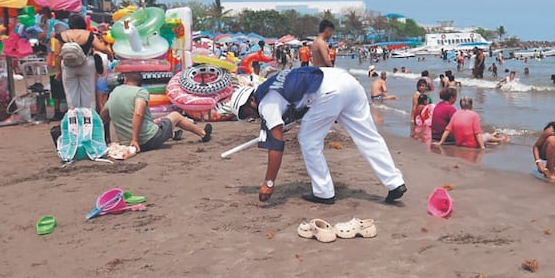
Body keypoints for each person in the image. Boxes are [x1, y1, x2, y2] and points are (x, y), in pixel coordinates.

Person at [228, 67, 408, 204]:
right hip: (346, 80)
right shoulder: (271, 84)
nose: (251, 118)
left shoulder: (265, 103)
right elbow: (296, 103)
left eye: (246, 114)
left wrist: (269, 183)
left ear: (250, 102)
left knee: (308, 140)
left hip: (328, 92)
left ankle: (324, 192)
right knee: (369, 137)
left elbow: (276, 144)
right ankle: (395, 182)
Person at [101, 71, 211, 152]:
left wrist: (106, 138)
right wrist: (135, 140)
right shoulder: (140, 91)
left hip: (126, 143)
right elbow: (138, 113)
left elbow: (104, 116)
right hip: (147, 140)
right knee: (176, 116)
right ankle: (203, 134)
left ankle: (173, 134)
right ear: (140, 83)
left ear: (124, 80)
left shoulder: (114, 92)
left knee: (156, 123)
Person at [58, 14, 113, 110]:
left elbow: (57, 54)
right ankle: (88, 118)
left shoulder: (62, 35)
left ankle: (74, 118)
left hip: (68, 66)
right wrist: (109, 53)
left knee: (70, 94)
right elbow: (101, 48)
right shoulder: (88, 34)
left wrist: (58, 71)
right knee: (88, 94)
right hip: (86, 64)